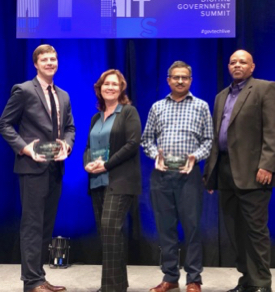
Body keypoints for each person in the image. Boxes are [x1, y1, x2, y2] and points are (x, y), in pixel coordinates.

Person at [0, 44, 75, 292]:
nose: (50, 63)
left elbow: (70, 128)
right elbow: (5, 124)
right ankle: (31, 283)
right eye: (45, 59)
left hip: (55, 168)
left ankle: (39, 278)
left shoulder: (63, 95)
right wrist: (25, 148)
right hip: (31, 167)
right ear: (36, 63)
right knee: (32, 226)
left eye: (54, 59)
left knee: (45, 226)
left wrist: (67, 144)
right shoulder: (23, 90)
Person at [204, 50, 275, 292]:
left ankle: (262, 283)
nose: (237, 65)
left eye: (242, 62)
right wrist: (210, 174)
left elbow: (272, 131)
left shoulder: (265, 89)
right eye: (233, 61)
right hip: (225, 173)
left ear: (252, 66)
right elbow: (216, 138)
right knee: (235, 232)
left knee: (255, 231)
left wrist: (267, 164)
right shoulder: (221, 96)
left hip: (254, 172)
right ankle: (247, 280)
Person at [141, 61, 213, 292]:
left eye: (184, 77)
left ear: (190, 80)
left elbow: (209, 141)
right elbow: (146, 140)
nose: (180, 81)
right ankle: (170, 277)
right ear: (168, 80)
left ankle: (194, 279)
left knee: (192, 229)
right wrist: (156, 156)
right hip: (161, 177)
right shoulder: (157, 107)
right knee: (165, 230)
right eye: (175, 77)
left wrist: (195, 157)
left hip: (189, 176)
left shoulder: (201, 106)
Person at [83, 69, 142, 292]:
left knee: (109, 230)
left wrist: (106, 165)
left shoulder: (128, 112)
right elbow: (89, 148)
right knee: (109, 235)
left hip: (121, 180)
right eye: (106, 84)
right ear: (99, 88)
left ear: (121, 89)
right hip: (97, 182)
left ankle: (110, 288)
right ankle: (119, 285)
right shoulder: (95, 118)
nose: (110, 87)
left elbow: (132, 143)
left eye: (115, 84)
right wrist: (87, 163)